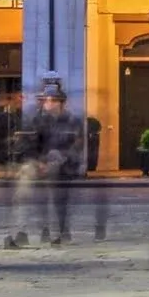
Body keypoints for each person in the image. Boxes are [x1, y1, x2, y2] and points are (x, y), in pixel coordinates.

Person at [30, 85, 88, 245]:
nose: (48, 104)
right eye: (46, 100)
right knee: (41, 199)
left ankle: (62, 231)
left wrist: (61, 159)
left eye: (52, 100)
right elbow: (35, 143)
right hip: (44, 164)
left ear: (61, 103)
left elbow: (76, 145)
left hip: (64, 167)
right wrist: (40, 162)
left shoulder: (73, 121)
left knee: (60, 200)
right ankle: (45, 229)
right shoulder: (39, 120)